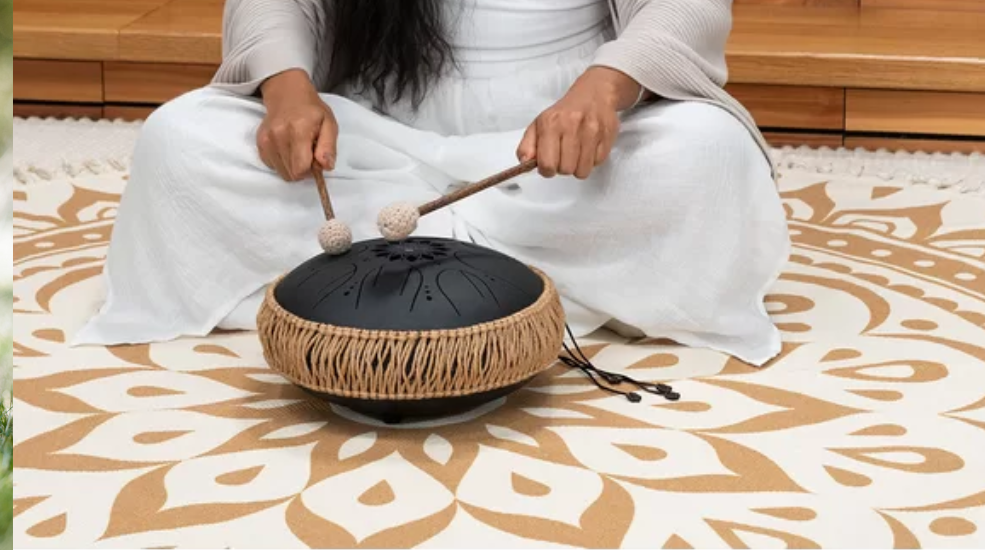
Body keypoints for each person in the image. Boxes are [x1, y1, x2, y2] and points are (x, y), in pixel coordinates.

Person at [75, 0, 789, 366]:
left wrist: (604, 89)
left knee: (706, 151)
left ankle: (373, 271)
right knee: (179, 138)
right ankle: (527, 274)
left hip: (551, 142)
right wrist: (287, 90)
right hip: (369, 132)